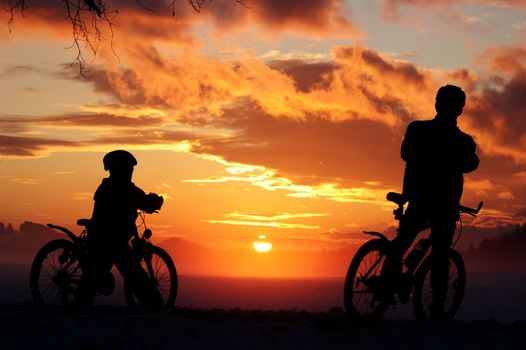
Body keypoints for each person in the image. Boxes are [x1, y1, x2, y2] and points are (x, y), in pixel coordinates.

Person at [391, 85, 479, 320]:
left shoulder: (417, 129)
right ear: (460, 110)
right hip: (445, 202)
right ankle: (437, 308)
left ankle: (387, 283)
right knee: (440, 253)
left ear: (437, 105)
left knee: (403, 240)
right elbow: (472, 164)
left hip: (418, 196)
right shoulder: (463, 141)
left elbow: (406, 154)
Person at [74, 150, 164, 308]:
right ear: (120, 169)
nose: (131, 172)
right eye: (129, 168)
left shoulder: (107, 186)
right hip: (113, 238)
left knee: (94, 274)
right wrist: (155, 201)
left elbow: (139, 198)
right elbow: (142, 200)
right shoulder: (123, 189)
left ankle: (80, 304)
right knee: (133, 271)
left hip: (104, 235)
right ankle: (154, 304)